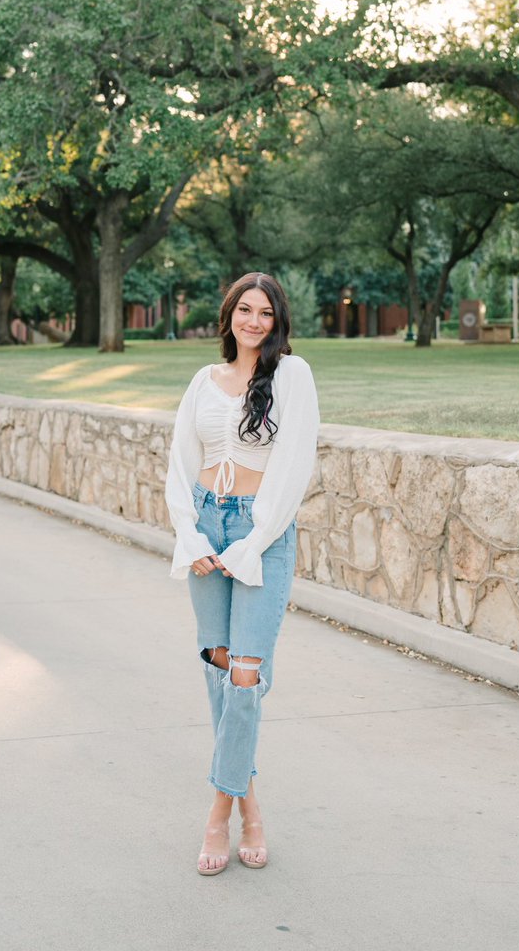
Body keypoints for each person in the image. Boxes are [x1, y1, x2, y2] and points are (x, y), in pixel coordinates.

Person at [165, 272, 319, 875]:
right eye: (244, 310)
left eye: (266, 313)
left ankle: (217, 813)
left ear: (278, 320)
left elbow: (292, 469)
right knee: (221, 669)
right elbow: (181, 466)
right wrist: (190, 535)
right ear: (228, 315)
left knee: (247, 679)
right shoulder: (204, 382)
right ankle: (251, 806)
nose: (254, 321)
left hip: (264, 532)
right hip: (207, 526)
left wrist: (252, 542)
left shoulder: (292, 375)